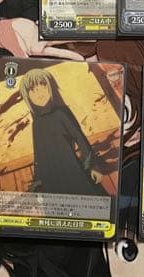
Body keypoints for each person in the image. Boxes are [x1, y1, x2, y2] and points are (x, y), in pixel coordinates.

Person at [19, 67, 110, 196]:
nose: (40, 93)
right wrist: (38, 182)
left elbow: (80, 139)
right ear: (27, 96)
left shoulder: (61, 113)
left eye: (43, 86)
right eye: (33, 90)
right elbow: (38, 154)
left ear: (51, 87)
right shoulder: (36, 123)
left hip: (73, 170)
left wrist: (93, 166)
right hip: (50, 179)